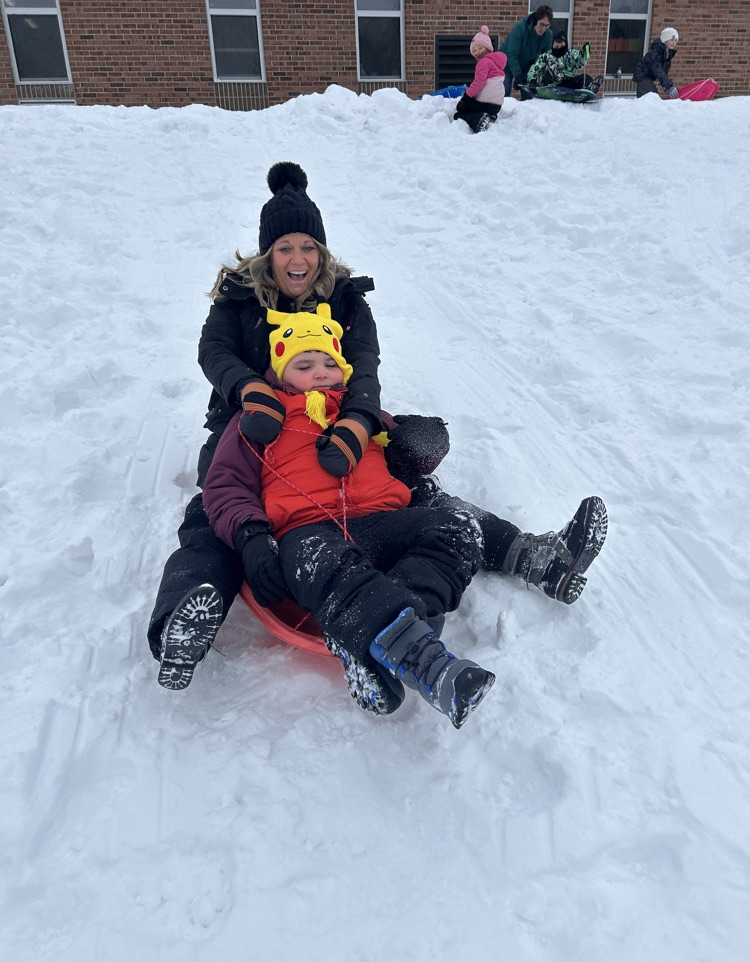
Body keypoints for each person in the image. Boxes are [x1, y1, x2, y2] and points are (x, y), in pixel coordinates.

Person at [149, 161, 607, 699]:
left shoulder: (345, 299)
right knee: (218, 509)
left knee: (413, 492)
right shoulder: (238, 299)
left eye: (308, 247)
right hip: (252, 421)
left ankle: (530, 555)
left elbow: (363, 367)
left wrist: (362, 422)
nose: (297, 259)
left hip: (342, 416)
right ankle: (190, 608)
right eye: (284, 248)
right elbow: (215, 352)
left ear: (322, 252)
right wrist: (251, 392)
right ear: (265, 254)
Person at [201, 305, 495, 729]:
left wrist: (422, 437)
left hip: (380, 522)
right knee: (321, 560)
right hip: (308, 534)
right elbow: (224, 484)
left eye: (329, 363)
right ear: (281, 373)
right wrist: (250, 537)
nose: (320, 372)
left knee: (457, 528)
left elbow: (410, 451)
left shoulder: (359, 412)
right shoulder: (262, 419)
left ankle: (385, 645)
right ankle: (422, 659)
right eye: (304, 364)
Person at [453, 25, 507, 133]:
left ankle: (479, 120)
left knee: (460, 113)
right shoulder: (495, 64)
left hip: (485, 103)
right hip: (496, 107)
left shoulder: (483, 62)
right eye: (474, 50)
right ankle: (489, 116)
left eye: (480, 48)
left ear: (487, 48)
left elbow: (479, 83)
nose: (478, 52)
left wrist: (466, 97)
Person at [499, 4, 553, 98]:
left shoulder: (548, 35)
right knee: (504, 93)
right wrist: (518, 75)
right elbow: (512, 54)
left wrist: (541, 75)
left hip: (526, 66)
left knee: (529, 95)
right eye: (541, 24)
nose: (543, 28)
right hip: (506, 63)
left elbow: (546, 58)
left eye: (547, 26)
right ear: (536, 20)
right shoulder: (520, 28)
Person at [527, 34, 604, 94]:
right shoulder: (546, 56)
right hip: (550, 82)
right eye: (557, 46)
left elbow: (579, 61)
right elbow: (535, 69)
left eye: (562, 46)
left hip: (568, 81)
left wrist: (583, 54)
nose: (559, 48)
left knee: (585, 77)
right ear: (553, 45)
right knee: (549, 67)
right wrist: (532, 81)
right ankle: (555, 75)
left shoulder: (570, 54)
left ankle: (590, 87)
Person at [633, 27, 679, 99]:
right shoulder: (656, 52)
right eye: (671, 40)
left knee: (653, 99)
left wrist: (667, 86)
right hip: (643, 77)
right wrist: (668, 87)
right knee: (652, 99)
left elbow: (664, 72)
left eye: (675, 40)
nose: (674, 43)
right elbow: (658, 70)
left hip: (648, 78)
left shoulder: (666, 53)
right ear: (665, 39)